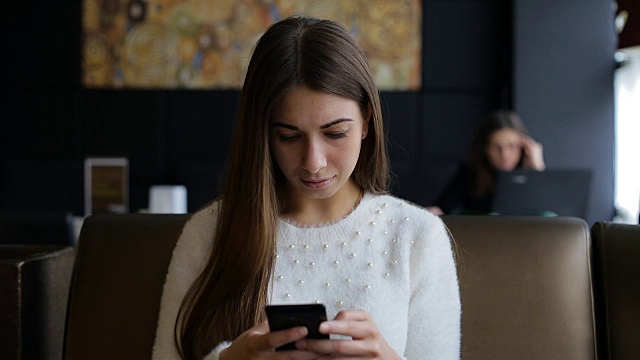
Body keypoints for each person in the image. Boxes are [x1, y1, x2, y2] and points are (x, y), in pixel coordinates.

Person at [152, 16, 461, 360]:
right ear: (264, 135)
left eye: (335, 133)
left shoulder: (417, 237)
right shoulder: (209, 233)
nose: (313, 162)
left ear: (366, 123)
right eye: (289, 136)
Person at [427, 109, 545, 215]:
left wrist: (537, 170)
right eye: (496, 147)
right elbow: (441, 207)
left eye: (511, 146)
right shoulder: (470, 173)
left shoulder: (530, 175)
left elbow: (548, 211)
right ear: (485, 148)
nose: (505, 155)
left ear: (523, 147)